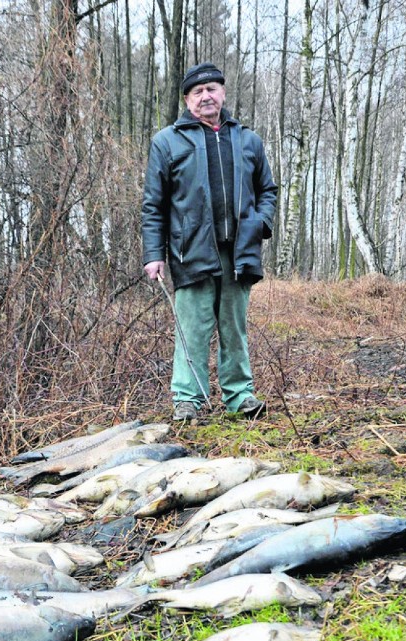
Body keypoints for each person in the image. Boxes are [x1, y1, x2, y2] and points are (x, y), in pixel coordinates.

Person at [142, 61, 278, 421]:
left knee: (235, 329)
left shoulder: (247, 139)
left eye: (212, 89)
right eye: (197, 92)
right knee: (192, 330)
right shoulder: (167, 141)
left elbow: (268, 189)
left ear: (223, 93)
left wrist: (259, 223)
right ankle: (188, 400)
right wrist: (153, 254)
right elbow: (154, 205)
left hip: (239, 251)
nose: (206, 96)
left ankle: (240, 397)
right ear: (187, 100)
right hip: (191, 253)